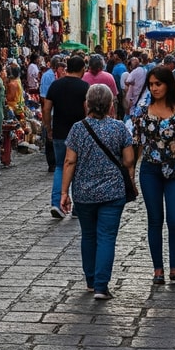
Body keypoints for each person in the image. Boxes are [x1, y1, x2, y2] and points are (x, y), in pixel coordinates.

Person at [60, 84, 135, 300]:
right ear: (111, 105)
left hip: (84, 192)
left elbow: (69, 161)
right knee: (107, 237)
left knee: (89, 235)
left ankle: (91, 281)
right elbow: (129, 160)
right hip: (112, 192)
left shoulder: (78, 128)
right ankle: (102, 286)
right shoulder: (119, 128)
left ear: (87, 104)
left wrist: (64, 192)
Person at [132, 66, 175, 286]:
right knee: (155, 219)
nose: (154, 88)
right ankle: (158, 270)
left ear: (168, 85)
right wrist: (130, 172)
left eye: (159, 83)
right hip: (150, 170)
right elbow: (137, 141)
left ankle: (174, 268)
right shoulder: (142, 111)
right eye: (151, 84)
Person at [41, 55, 90, 217]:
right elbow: (87, 111)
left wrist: (48, 128)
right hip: (79, 134)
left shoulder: (55, 85)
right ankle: (77, 206)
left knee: (61, 167)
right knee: (80, 169)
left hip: (59, 132)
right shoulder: (84, 87)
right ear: (83, 69)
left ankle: (56, 203)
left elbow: (46, 109)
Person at [40, 55, 64, 173]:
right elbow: (44, 97)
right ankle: (52, 163)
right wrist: (46, 114)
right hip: (52, 111)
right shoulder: (48, 76)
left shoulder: (60, 77)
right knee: (50, 137)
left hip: (59, 111)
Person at [123, 51, 149, 117]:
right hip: (143, 96)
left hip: (133, 97)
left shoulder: (134, 72)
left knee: (131, 113)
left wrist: (132, 83)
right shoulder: (144, 70)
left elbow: (127, 82)